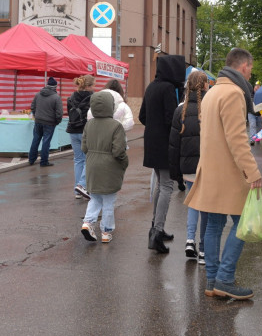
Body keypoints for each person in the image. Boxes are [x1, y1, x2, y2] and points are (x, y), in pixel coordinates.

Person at [184, 48, 262, 300]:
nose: (251, 72)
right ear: (243, 67)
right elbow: (238, 139)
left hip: (210, 171)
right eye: (250, 67)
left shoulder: (213, 91)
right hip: (228, 173)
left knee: (214, 226)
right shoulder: (234, 93)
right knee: (242, 224)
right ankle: (225, 278)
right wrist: (253, 172)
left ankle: (212, 281)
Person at [139, 54, 186, 253]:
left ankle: (156, 227)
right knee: (167, 186)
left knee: (161, 185)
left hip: (151, 143)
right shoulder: (168, 88)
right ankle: (157, 233)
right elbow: (171, 119)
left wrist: (153, 127)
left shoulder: (151, 86)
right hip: (164, 144)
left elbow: (142, 116)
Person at [169, 70, 208, 263]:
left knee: (192, 204)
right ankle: (203, 250)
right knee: (206, 208)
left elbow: (174, 144)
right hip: (207, 166)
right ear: (205, 86)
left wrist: (176, 173)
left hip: (188, 168)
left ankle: (189, 240)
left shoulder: (180, 110)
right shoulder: (209, 109)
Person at [80, 91, 129, 244]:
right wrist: (124, 162)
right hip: (110, 167)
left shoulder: (89, 124)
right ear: (111, 106)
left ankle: (88, 223)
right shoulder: (116, 126)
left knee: (94, 198)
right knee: (109, 201)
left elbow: (84, 147)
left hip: (92, 165)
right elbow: (118, 150)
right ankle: (106, 232)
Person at [67, 75, 95, 199]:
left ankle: (77, 191)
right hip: (86, 130)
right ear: (88, 86)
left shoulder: (71, 97)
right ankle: (81, 185)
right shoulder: (93, 97)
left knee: (78, 160)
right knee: (89, 159)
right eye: (93, 85)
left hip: (73, 129)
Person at [28, 77, 63, 167]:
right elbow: (59, 113)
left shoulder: (38, 94)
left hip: (38, 121)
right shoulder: (56, 97)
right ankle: (44, 162)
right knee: (46, 142)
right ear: (55, 87)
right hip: (50, 122)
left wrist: (36, 116)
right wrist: (57, 121)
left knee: (35, 139)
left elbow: (32, 107)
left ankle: (31, 159)